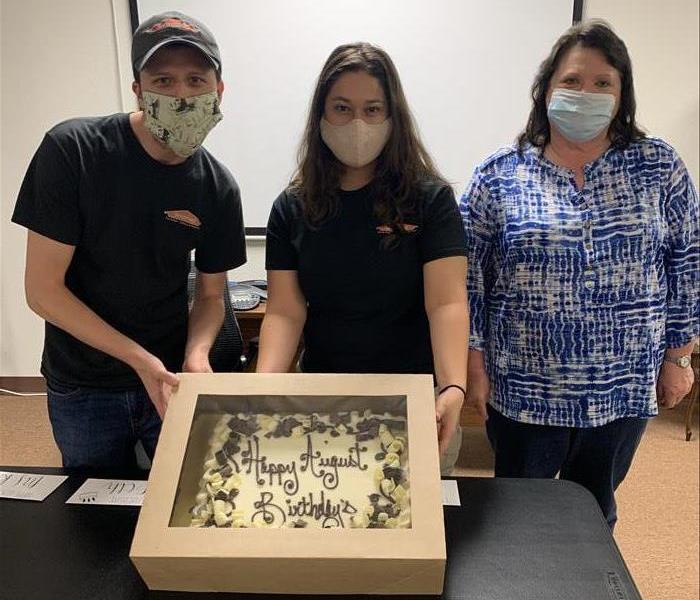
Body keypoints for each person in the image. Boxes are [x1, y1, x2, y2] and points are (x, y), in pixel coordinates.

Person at [461, 20, 698, 528]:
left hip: (623, 385)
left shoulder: (659, 166)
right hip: (524, 386)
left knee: (594, 512)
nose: (584, 93)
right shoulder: (499, 173)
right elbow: (466, 277)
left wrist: (679, 356)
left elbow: (687, 263)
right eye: (571, 81)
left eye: (601, 83)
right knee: (517, 516)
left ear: (621, 93)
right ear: (546, 88)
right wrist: (472, 358)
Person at [11, 12, 246, 469]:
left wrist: (196, 355)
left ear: (218, 91)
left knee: (182, 499)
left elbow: (212, 295)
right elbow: (42, 290)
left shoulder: (218, 187)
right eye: (164, 79)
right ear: (138, 89)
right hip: (84, 382)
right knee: (93, 515)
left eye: (196, 79)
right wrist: (139, 360)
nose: (181, 94)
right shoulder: (72, 151)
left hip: (170, 377)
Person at [256, 43, 469, 472]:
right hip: (322, 394)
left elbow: (445, 303)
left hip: (413, 399)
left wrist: (453, 387)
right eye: (341, 108)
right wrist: (263, 390)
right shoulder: (291, 207)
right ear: (320, 115)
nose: (357, 123)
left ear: (393, 117)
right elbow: (284, 311)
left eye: (372, 110)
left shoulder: (430, 199)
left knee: (410, 527)